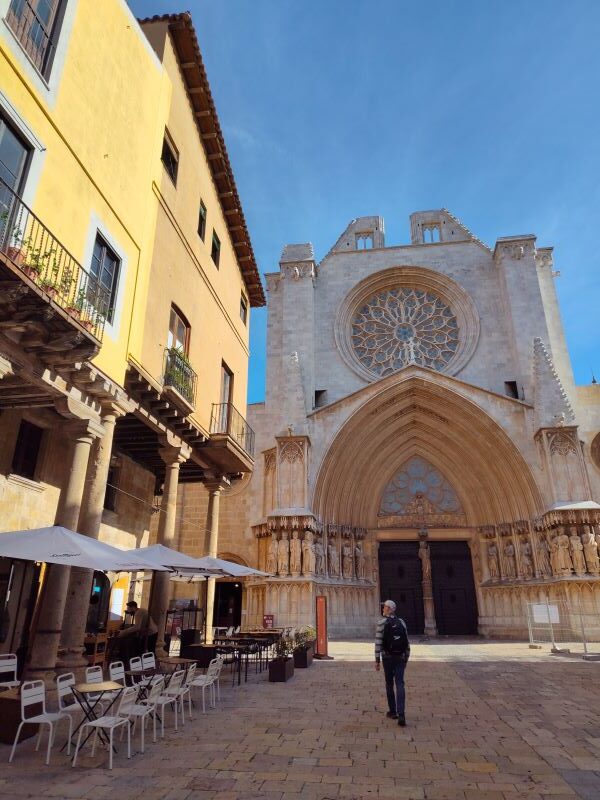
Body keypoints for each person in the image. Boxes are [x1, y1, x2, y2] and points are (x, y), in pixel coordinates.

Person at [375, 599, 410, 726]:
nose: (383, 609)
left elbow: (378, 643)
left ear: (389, 609)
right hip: (400, 657)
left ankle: (393, 711)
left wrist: (377, 660)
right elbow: (407, 644)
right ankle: (402, 714)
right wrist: (405, 658)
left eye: (384, 607)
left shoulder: (381, 623)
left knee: (389, 683)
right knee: (400, 683)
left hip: (387, 657)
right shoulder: (401, 622)